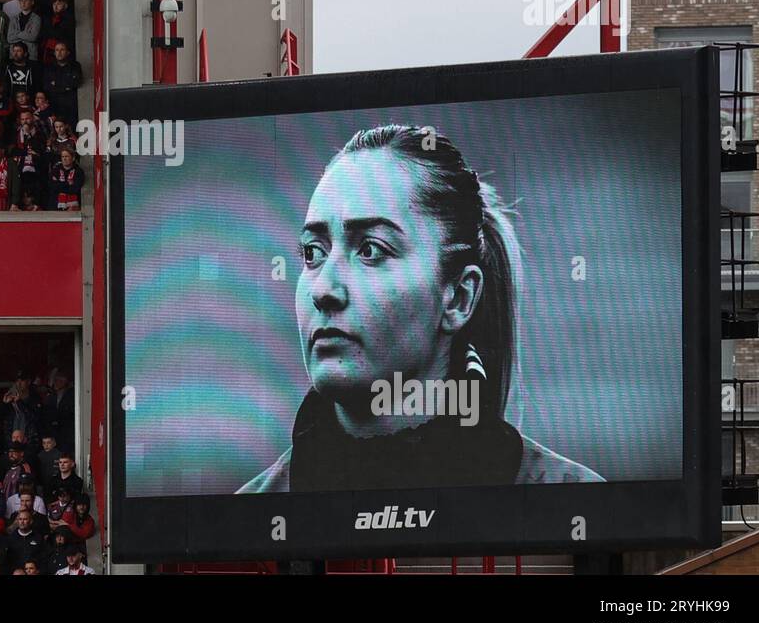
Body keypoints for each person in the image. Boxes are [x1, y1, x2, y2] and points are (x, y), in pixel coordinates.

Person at [239, 124, 605, 495]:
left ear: (459, 297)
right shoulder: (245, 522)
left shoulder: (577, 503)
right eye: (313, 253)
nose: (323, 290)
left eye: (370, 250)